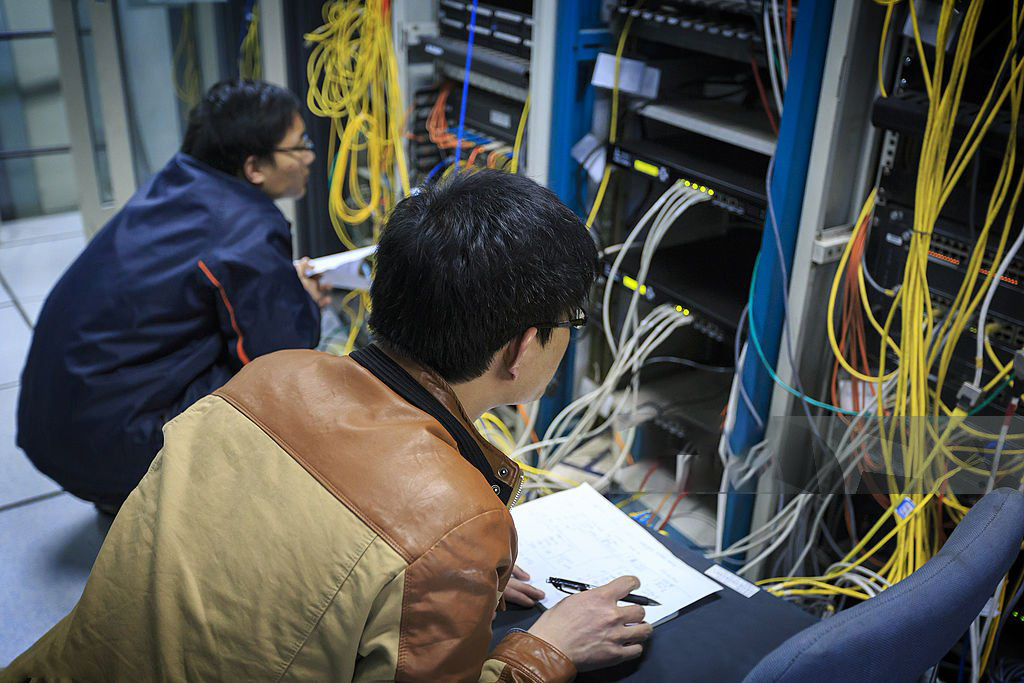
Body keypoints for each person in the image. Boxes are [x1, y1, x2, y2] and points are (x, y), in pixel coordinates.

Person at [2, 170, 652, 681]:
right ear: (521, 349)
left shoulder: (270, 376)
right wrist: (543, 649)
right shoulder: (456, 524)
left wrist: (437, 583)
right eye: (572, 324)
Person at [16, 79, 327, 510]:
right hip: (103, 445)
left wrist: (274, 282)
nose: (310, 157)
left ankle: (127, 490)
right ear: (254, 167)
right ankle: (168, 497)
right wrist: (302, 303)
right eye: (300, 146)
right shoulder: (247, 230)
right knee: (278, 382)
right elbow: (281, 352)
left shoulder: (177, 182)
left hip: (49, 426)